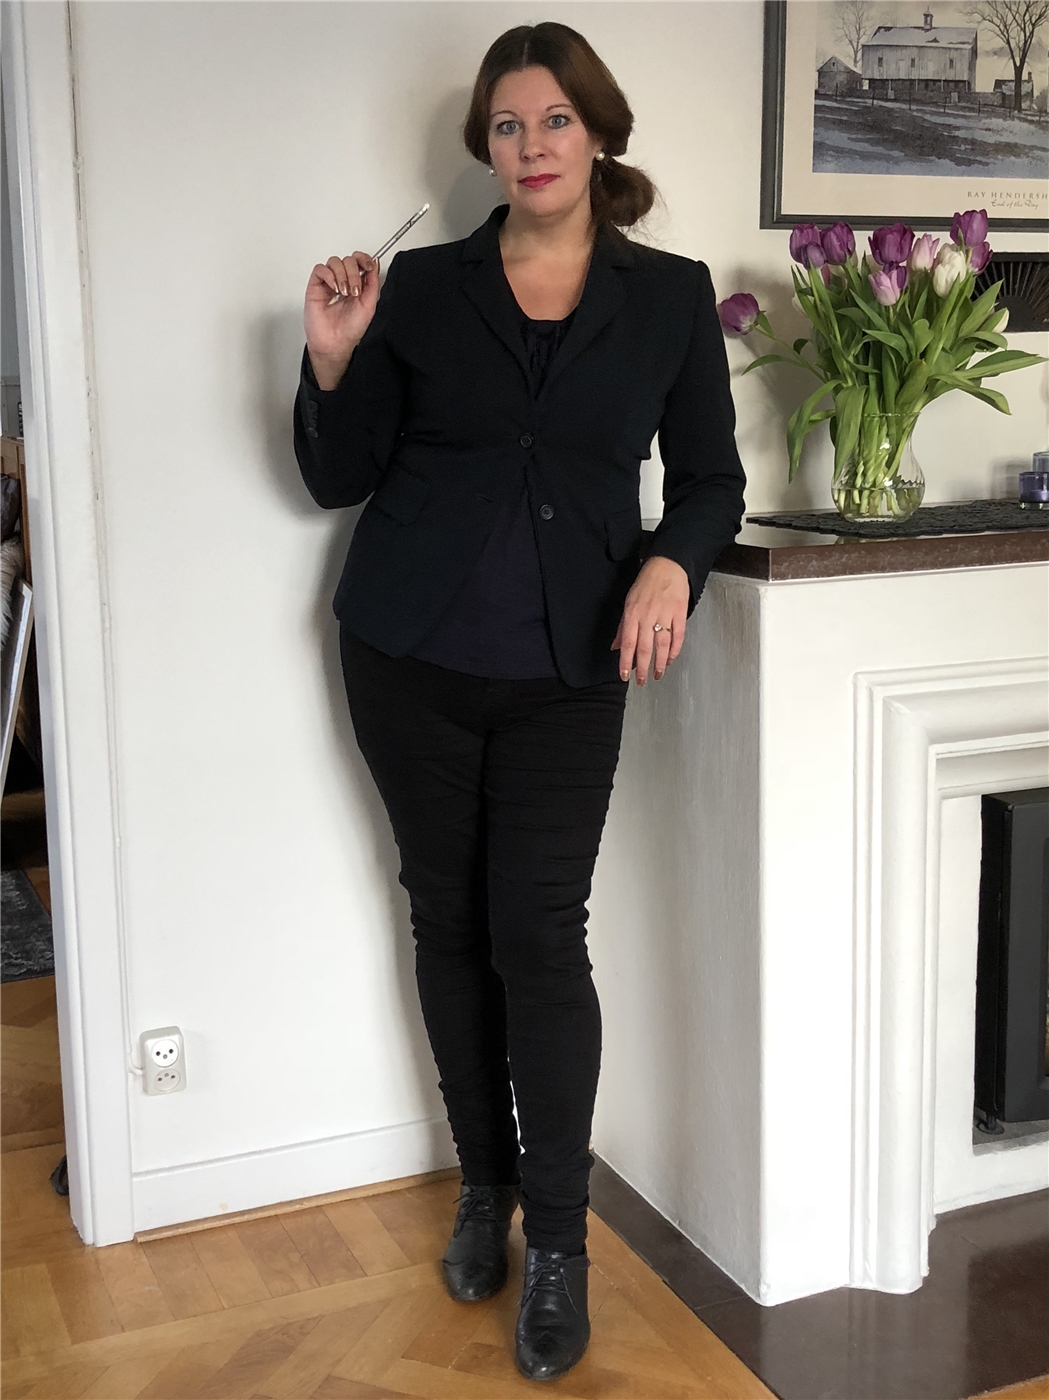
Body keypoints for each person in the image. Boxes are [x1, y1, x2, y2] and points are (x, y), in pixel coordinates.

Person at [294, 20, 745, 1383]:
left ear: (596, 133)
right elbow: (337, 475)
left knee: (538, 937)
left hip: (569, 670)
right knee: (445, 918)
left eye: (554, 120)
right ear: (484, 145)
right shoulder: (425, 288)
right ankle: (480, 1184)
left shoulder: (669, 297)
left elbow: (710, 481)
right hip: (408, 657)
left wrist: (670, 563)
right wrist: (333, 357)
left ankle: (558, 1243)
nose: (532, 144)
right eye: (508, 124)